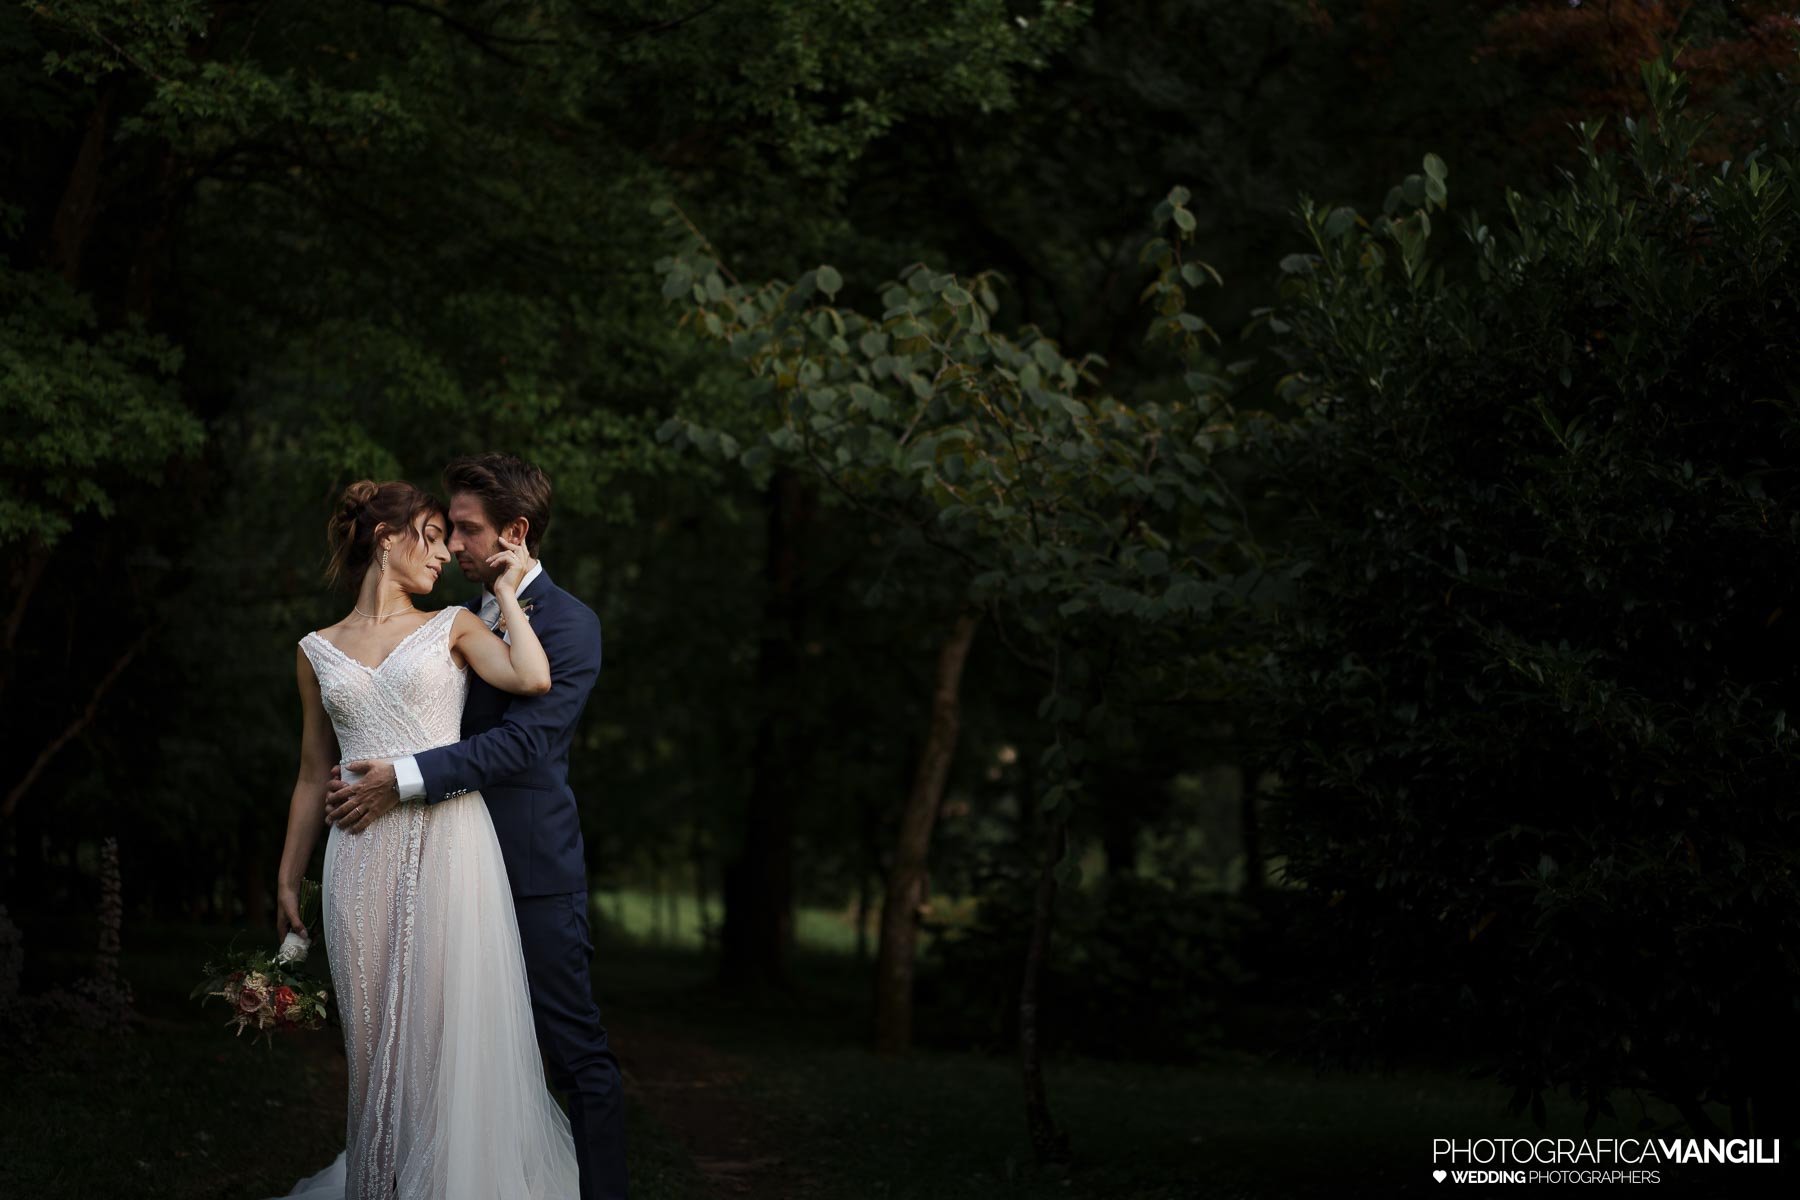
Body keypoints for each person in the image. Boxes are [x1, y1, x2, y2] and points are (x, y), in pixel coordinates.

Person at [316, 455, 627, 1200]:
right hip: (440, 872)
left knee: (573, 1053)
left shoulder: (570, 625)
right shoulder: (445, 621)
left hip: (529, 873)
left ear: (514, 534)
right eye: (447, 527)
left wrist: (403, 776)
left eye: (467, 529)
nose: (452, 544)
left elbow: (526, 741)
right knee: (440, 1053)